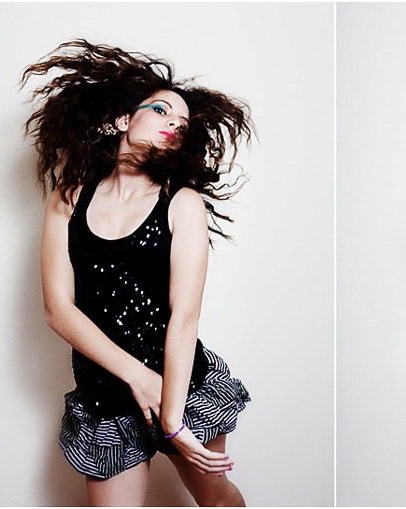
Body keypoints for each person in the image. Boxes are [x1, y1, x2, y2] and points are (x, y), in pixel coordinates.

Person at [22, 40, 252, 506]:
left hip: (180, 386)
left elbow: (183, 317)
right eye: (162, 110)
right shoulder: (68, 197)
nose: (174, 124)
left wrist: (172, 416)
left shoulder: (183, 204)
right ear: (123, 120)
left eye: (182, 124)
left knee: (219, 499)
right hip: (105, 399)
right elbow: (57, 310)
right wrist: (137, 377)